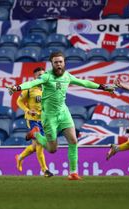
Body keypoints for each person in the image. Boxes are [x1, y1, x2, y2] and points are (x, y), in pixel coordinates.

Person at [7, 52, 115, 180]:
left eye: (60, 62)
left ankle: (73, 173)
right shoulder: (46, 77)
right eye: (56, 62)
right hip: (49, 117)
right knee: (52, 149)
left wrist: (103, 87)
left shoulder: (67, 76)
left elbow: (84, 83)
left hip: (64, 113)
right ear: (52, 64)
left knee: (74, 141)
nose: (58, 64)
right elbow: (31, 83)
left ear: (64, 63)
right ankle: (35, 134)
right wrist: (17, 87)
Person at [15, 67, 53, 178]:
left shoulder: (49, 88)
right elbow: (19, 101)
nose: (40, 77)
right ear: (35, 77)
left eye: (42, 74)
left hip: (44, 120)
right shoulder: (30, 87)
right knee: (40, 143)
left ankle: (20, 157)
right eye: (38, 75)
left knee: (35, 146)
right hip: (32, 120)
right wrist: (27, 110)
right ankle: (45, 170)